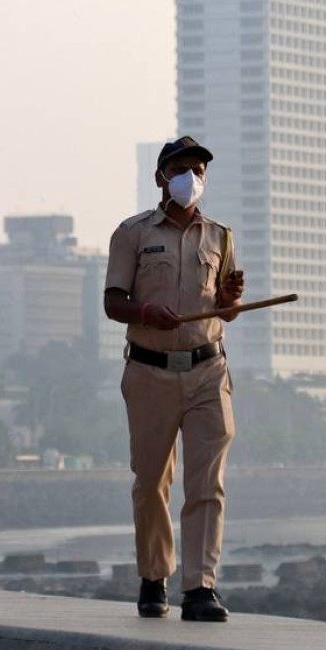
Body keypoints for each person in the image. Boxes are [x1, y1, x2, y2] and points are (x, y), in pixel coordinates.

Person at [103, 136, 245, 622]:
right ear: (161, 176)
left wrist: (232, 299)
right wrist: (145, 311)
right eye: (183, 169)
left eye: (200, 170)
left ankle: (201, 586)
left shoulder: (220, 236)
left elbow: (226, 309)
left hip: (209, 369)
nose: (192, 179)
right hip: (150, 370)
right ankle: (154, 576)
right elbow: (113, 301)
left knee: (208, 483)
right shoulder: (133, 233)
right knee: (151, 481)